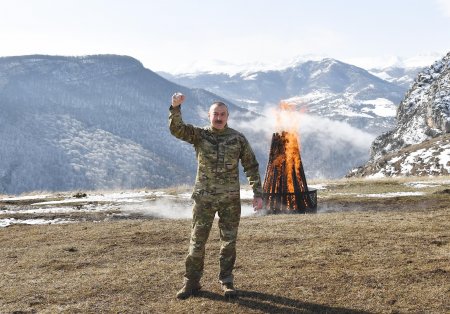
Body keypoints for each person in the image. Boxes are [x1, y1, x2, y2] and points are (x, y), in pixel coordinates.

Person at [169, 92, 263, 299]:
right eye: (215, 114)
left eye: (222, 114)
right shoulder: (200, 135)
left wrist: (258, 193)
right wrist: (175, 108)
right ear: (209, 116)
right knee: (197, 242)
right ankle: (191, 283)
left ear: (227, 117)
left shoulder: (237, 139)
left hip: (230, 200)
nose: (219, 117)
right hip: (204, 199)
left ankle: (227, 282)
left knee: (228, 243)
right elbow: (177, 129)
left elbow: (251, 166)